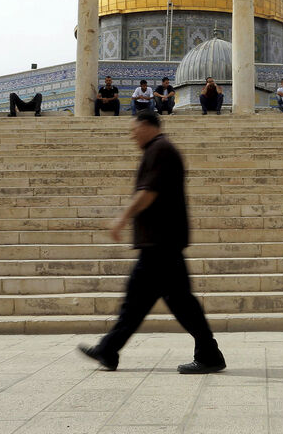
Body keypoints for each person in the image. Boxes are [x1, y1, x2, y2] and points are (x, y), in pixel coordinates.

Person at [78, 112, 225, 375]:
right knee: (165, 301)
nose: (132, 135)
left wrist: (122, 219)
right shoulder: (158, 149)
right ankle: (110, 349)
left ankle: (109, 349)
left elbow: (148, 192)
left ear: (148, 126)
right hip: (161, 240)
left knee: (147, 301)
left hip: (161, 241)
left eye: (134, 129)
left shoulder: (161, 150)